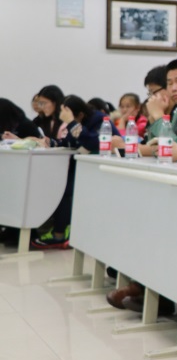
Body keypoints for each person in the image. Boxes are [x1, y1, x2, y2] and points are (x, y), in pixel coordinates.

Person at [32, 95, 121, 248]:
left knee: (67, 190)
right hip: (85, 166)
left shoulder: (100, 120)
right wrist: (50, 142)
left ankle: (60, 234)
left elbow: (93, 142)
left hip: (103, 168)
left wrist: (72, 123)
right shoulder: (78, 122)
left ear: (80, 114)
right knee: (60, 186)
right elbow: (69, 142)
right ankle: (58, 232)